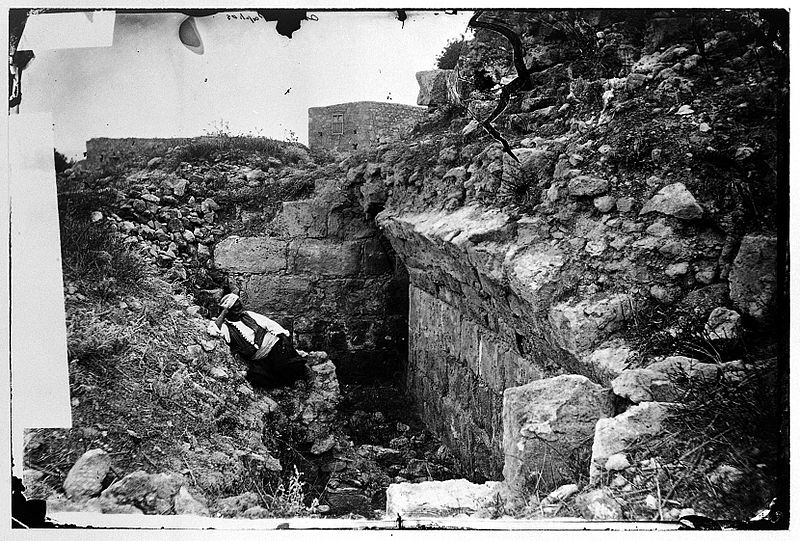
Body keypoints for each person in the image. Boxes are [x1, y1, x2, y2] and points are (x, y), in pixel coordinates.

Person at [206, 293, 306, 388]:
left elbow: (269, 324)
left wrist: (284, 337)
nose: (240, 311)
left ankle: (293, 378)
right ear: (228, 311)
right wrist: (223, 313)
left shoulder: (248, 315)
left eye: (240, 307)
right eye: (236, 309)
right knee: (257, 376)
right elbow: (213, 330)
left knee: (288, 365)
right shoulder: (226, 328)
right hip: (260, 358)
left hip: (275, 346)